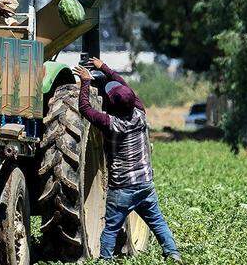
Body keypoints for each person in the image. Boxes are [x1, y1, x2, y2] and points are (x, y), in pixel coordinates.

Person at [72, 59, 180, 262]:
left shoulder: (110, 123)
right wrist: (104, 67)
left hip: (122, 188)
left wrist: (86, 81)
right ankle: (173, 254)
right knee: (157, 222)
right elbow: (126, 88)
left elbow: (85, 109)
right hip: (145, 184)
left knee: (111, 228)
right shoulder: (140, 113)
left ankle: (105, 259)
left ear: (111, 105)